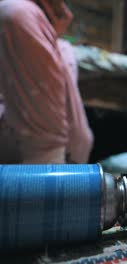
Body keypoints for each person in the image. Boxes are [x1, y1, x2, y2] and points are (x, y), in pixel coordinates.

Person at [0, 0, 93, 164]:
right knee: (18, 14)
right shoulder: (17, 13)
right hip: (41, 164)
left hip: (68, 157)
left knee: (64, 50)